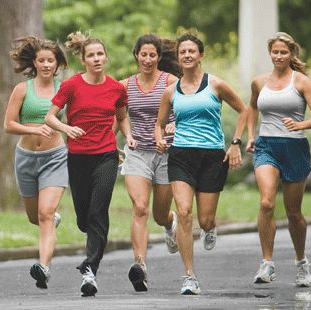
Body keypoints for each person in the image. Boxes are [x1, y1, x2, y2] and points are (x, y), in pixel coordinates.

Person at [155, 33, 249, 295]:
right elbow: (159, 124)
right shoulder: (170, 92)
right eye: (182, 52)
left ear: (200, 55)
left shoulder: (216, 85)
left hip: (211, 156)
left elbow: (244, 110)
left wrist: (236, 143)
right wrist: (160, 138)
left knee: (204, 220)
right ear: (178, 57)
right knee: (184, 213)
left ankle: (210, 228)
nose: (186, 55)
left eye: (191, 51)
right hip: (181, 156)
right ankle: (189, 277)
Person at [45, 31, 135, 297]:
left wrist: (127, 136)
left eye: (100, 54)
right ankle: (89, 239)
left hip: (106, 155)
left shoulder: (116, 88)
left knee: (98, 211)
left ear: (105, 58)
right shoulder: (71, 86)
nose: (97, 59)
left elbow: (121, 117)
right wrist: (66, 128)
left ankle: (89, 270)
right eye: (91, 55)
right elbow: (50, 117)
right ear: (83, 59)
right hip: (78, 157)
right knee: (84, 218)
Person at [246, 32, 311, 287]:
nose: (279, 56)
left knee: (293, 212)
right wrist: (250, 136)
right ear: (270, 53)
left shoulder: (302, 82)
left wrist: (300, 123)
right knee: (267, 202)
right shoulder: (259, 82)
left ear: (292, 54)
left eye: (283, 52)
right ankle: (267, 264)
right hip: (266, 146)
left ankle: (301, 262)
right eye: (275, 52)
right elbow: (252, 108)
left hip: (295, 147)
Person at [3, 36, 68, 289]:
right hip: (26, 159)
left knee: (45, 213)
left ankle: (44, 267)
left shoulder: (64, 89)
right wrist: (34, 131)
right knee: (35, 217)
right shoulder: (22, 89)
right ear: (35, 62)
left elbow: (74, 120)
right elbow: (8, 125)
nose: (46, 65)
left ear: (57, 63)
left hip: (55, 157)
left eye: (50, 60)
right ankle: (53, 220)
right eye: (41, 60)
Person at [119, 34, 181, 292]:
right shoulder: (124, 86)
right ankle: (140, 266)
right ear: (136, 55)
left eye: (152, 55)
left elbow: (185, 112)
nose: (147, 59)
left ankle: (169, 223)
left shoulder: (171, 81)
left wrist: (173, 125)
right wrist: (122, 139)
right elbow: (120, 117)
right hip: (138, 153)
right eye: (143, 54)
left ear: (158, 57)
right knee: (140, 207)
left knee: (158, 214)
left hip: (166, 152)